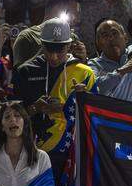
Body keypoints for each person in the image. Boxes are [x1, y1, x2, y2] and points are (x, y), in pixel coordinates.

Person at [12, 16, 96, 160]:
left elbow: (95, 117)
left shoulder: (85, 73)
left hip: (73, 152)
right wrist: (34, 108)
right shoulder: (25, 71)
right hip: (33, 151)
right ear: (41, 45)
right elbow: (11, 116)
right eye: (49, 49)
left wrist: (81, 99)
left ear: (69, 45)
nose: (54, 56)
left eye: (60, 50)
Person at [10, 0, 83, 68]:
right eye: (73, 14)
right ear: (58, 10)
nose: (77, 20)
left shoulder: (72, 37)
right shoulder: (28, 37)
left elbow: (80, 73)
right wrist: (47, 48)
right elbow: (19, 75)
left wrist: (83, 59)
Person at [87, 19, 132, 103]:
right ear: (98, 44)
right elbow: (96, 88)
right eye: (105, 35)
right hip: (116, 116)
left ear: (125, 38)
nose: (111, 38)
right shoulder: (93, 64)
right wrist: (123, 70)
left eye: (114, 33)